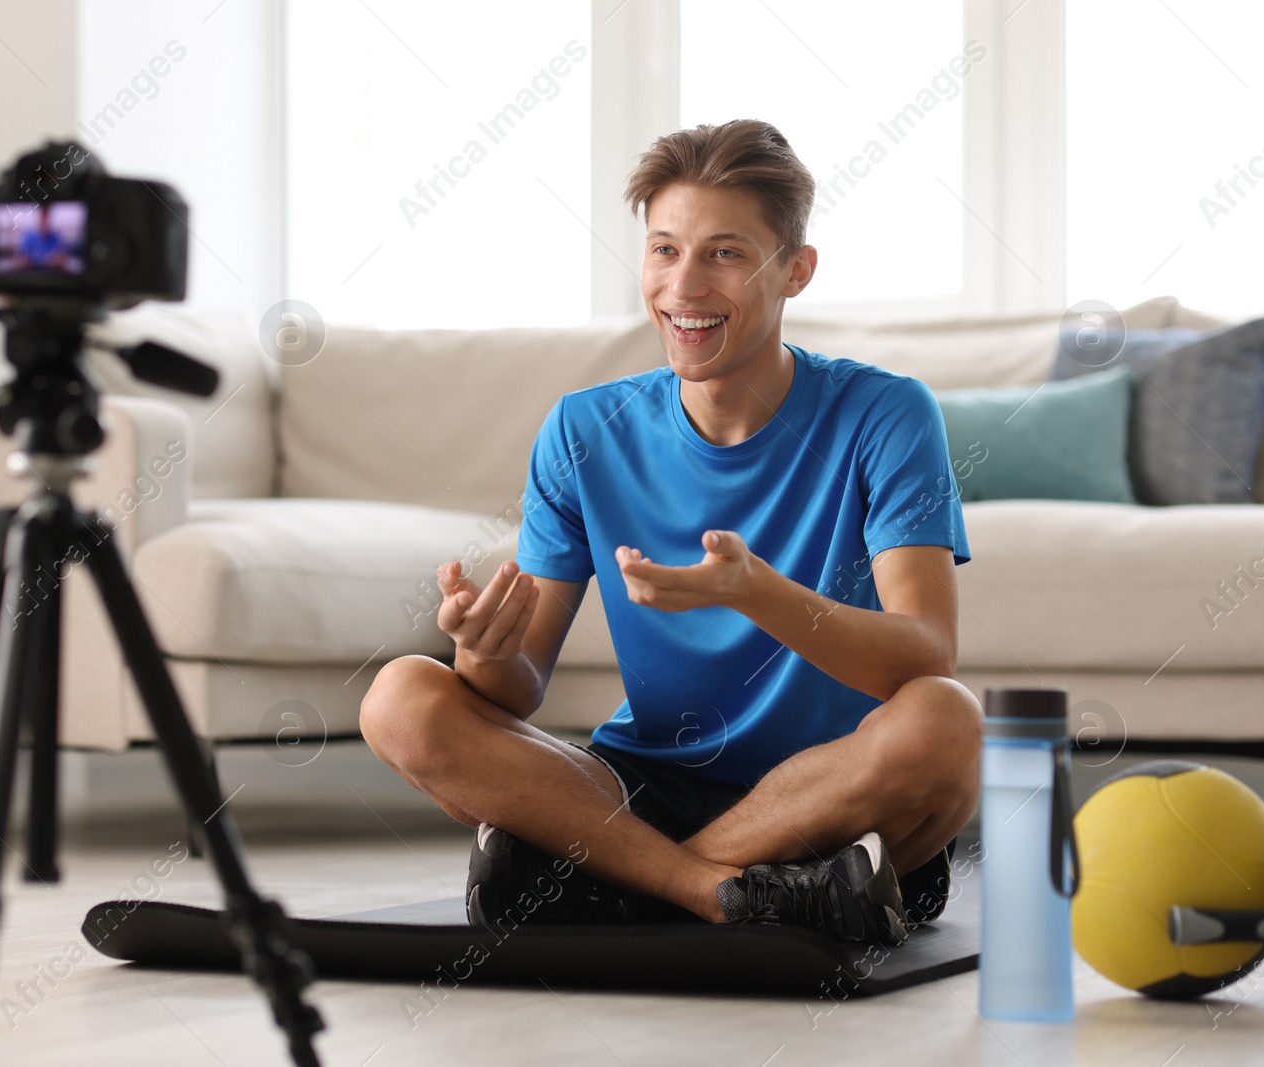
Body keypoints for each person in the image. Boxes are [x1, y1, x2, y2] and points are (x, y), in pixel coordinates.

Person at [359, 119, 980, 945]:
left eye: (724, 253)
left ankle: (609, 882)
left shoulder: (887, 412)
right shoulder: (586, 427)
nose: (684, 286)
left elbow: (925, 654)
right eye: (664, 250)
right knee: (402, 697)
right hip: (640, 783)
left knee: (948, 719)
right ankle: (722, 890)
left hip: (827, 791)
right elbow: (514, 687)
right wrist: (484, 648)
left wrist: (757, 593)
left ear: (795, 270)